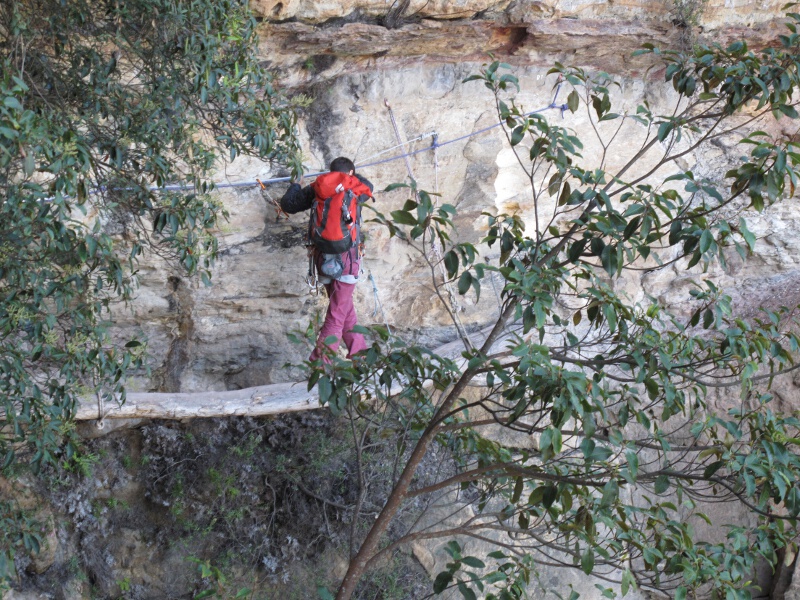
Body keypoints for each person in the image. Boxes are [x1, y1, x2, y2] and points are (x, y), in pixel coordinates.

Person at [280, 157, 373, 362]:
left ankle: (360, 356)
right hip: (348, 260)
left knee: (344, 309)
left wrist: (295, 185)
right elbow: (369, 187)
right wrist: (348, 177)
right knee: (337, 315)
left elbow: (288, 204)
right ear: (351, 173)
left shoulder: (317, 187)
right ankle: (321, 364)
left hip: (323, 259)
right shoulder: (356, 187)